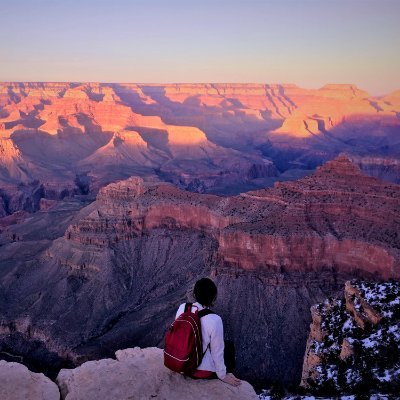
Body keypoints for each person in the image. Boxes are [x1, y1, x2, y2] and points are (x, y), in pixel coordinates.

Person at [175, 278, 241, 387]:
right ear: (213, 298)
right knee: (228, 346)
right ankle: (228, 373)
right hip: (198, 371)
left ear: (194, 294)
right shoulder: (215, 320)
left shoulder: (183, 308)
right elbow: (217, 353)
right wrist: (222, 376)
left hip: (178, 363)